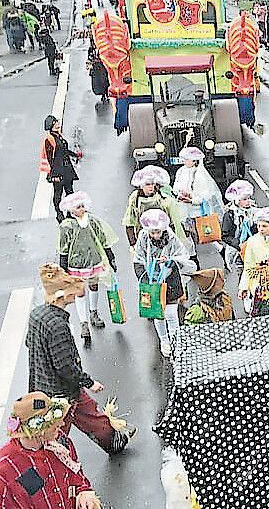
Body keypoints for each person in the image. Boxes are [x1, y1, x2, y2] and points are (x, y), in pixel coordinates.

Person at [27, 264, 137, 454]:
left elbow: (30, 345)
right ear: (64, 296)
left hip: (43, 385)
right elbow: (64, 365)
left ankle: (114, 440)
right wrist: (89, 382)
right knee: (57, 434)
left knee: (90, 413)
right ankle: (52, 463)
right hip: (61, 392)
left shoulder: (36, 315)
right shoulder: (58, 325)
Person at [0, 392, 101, 508]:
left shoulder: (59, 440)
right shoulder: (0, 472)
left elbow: (74, 470)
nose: (62, 423)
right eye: (53, 423)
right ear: (37, 432)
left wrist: (84, 490)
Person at [56, 191, 118, 342]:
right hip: (76, 264)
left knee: (94, 286)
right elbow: (63, 248)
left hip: (94, 260)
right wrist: (63, 268)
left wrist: (110, 257)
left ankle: (94, 312)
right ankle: (83, 323)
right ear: (71, 210)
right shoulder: (66, 226)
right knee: (79, 291)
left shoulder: (92, 221)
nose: (82, 209)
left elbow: (102, 240)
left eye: (83, 206)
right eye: (78, 207)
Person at [132, 209, 191, 358]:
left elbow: (183, 256)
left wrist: (170, 261)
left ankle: (176, 340)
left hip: (170, 280)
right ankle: (164, 340)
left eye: (158, 232)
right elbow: (138, 260)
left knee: (171, 313)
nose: (155, 236)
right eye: (152, 233)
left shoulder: (172, 238)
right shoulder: (143, 239)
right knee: (158, 314)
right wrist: (144, 279)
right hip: (153, 283)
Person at [40, 115, 78, 223]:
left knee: (70, 192)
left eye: (57, 122)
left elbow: (64, 151)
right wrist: (53, 175)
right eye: (55, 123)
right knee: (58, 193)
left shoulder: (59, 136)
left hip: (66, 168)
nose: (57, 124)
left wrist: (74, 155)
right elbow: (49, 158)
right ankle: (59, 213)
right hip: (58, 170)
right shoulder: (49, 140)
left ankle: (70, 212)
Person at [219, 179, 258, 270]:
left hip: (254, 250)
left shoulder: (254, 213)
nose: (247, 201)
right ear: (237, 201)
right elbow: (225, 236)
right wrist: (238, 244)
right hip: (238, 252)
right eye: (244, 199)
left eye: (248, 198)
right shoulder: (230, 215)